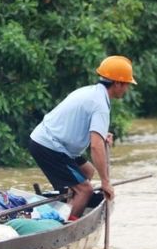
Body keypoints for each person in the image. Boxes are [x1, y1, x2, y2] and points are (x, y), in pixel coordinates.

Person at [29, 55, 137, 220]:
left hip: (53, 142)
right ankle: (67, 227)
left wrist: (102, 135)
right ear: (117, 83)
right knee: (85, 190)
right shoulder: (100, 104)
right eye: (127, 84)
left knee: (87, 170)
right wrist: (106, 182)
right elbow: (95, 146)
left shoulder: (91, 92)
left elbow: (84, 128)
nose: (127, 89)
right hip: (49, 145)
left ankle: (70, 201)